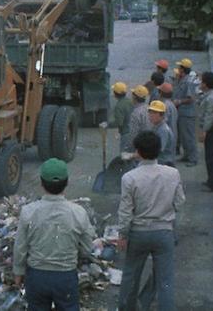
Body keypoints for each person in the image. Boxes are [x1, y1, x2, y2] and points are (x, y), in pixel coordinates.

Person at [13, 158, 94, 311]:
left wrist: (18, 272)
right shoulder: (78, 213)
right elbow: (87, 248)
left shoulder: (29, 211)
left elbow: (20, 247)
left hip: (37, 277)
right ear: (67, 183)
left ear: (42, 183)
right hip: (65, 277)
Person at [118, 131, 185, 311]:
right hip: (164, 232)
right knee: (165, 281)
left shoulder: (129, 178)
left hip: (138, 233)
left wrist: (122, 235)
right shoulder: (173, 174)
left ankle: (127, 308)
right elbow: (179, 202)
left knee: (131, 276)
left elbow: (125, 212)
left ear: (138, 152)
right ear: (158, 150)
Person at [198, 72, 213, 191]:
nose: (200, 83)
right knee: (210, 155)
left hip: (212, 129)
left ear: (206, 84)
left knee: (211, 157)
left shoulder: (212, 98)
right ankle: (211, 180)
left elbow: (209, 116)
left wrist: (204, 131)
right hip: (212, 128)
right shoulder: (211, 94)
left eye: (202, 81)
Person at [172, 58, 198, 166]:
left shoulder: (188, 82)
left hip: (187, 114)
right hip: (181, 113)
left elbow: (191, 98)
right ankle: (186, 155)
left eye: (180, 67)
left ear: (183, 69)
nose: (178, 69)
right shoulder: (182, 79)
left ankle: (193, 158)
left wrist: (179, 101)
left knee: (189, 137)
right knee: (183, 136)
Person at [146, 100, 175, 166]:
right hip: (158, 162)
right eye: (150, 112)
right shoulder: (156, 126)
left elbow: (158, 150)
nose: (151, 115)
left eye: (154, 113)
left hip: (164, 163)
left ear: (162, 115)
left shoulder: (163, 130)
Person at [108, 82, 133, 152]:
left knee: (124, 156)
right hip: (134, 131)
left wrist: (107, 125)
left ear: (115, 94)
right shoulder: (130, 101)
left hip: (126, 133)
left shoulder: (119, 106)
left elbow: (119, 122)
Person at [157, 82, 178, 147]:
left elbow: (163, 122)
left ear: (161, 93)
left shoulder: (164, 105)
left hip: (166, 137)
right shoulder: (172, 104)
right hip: (173, 135)